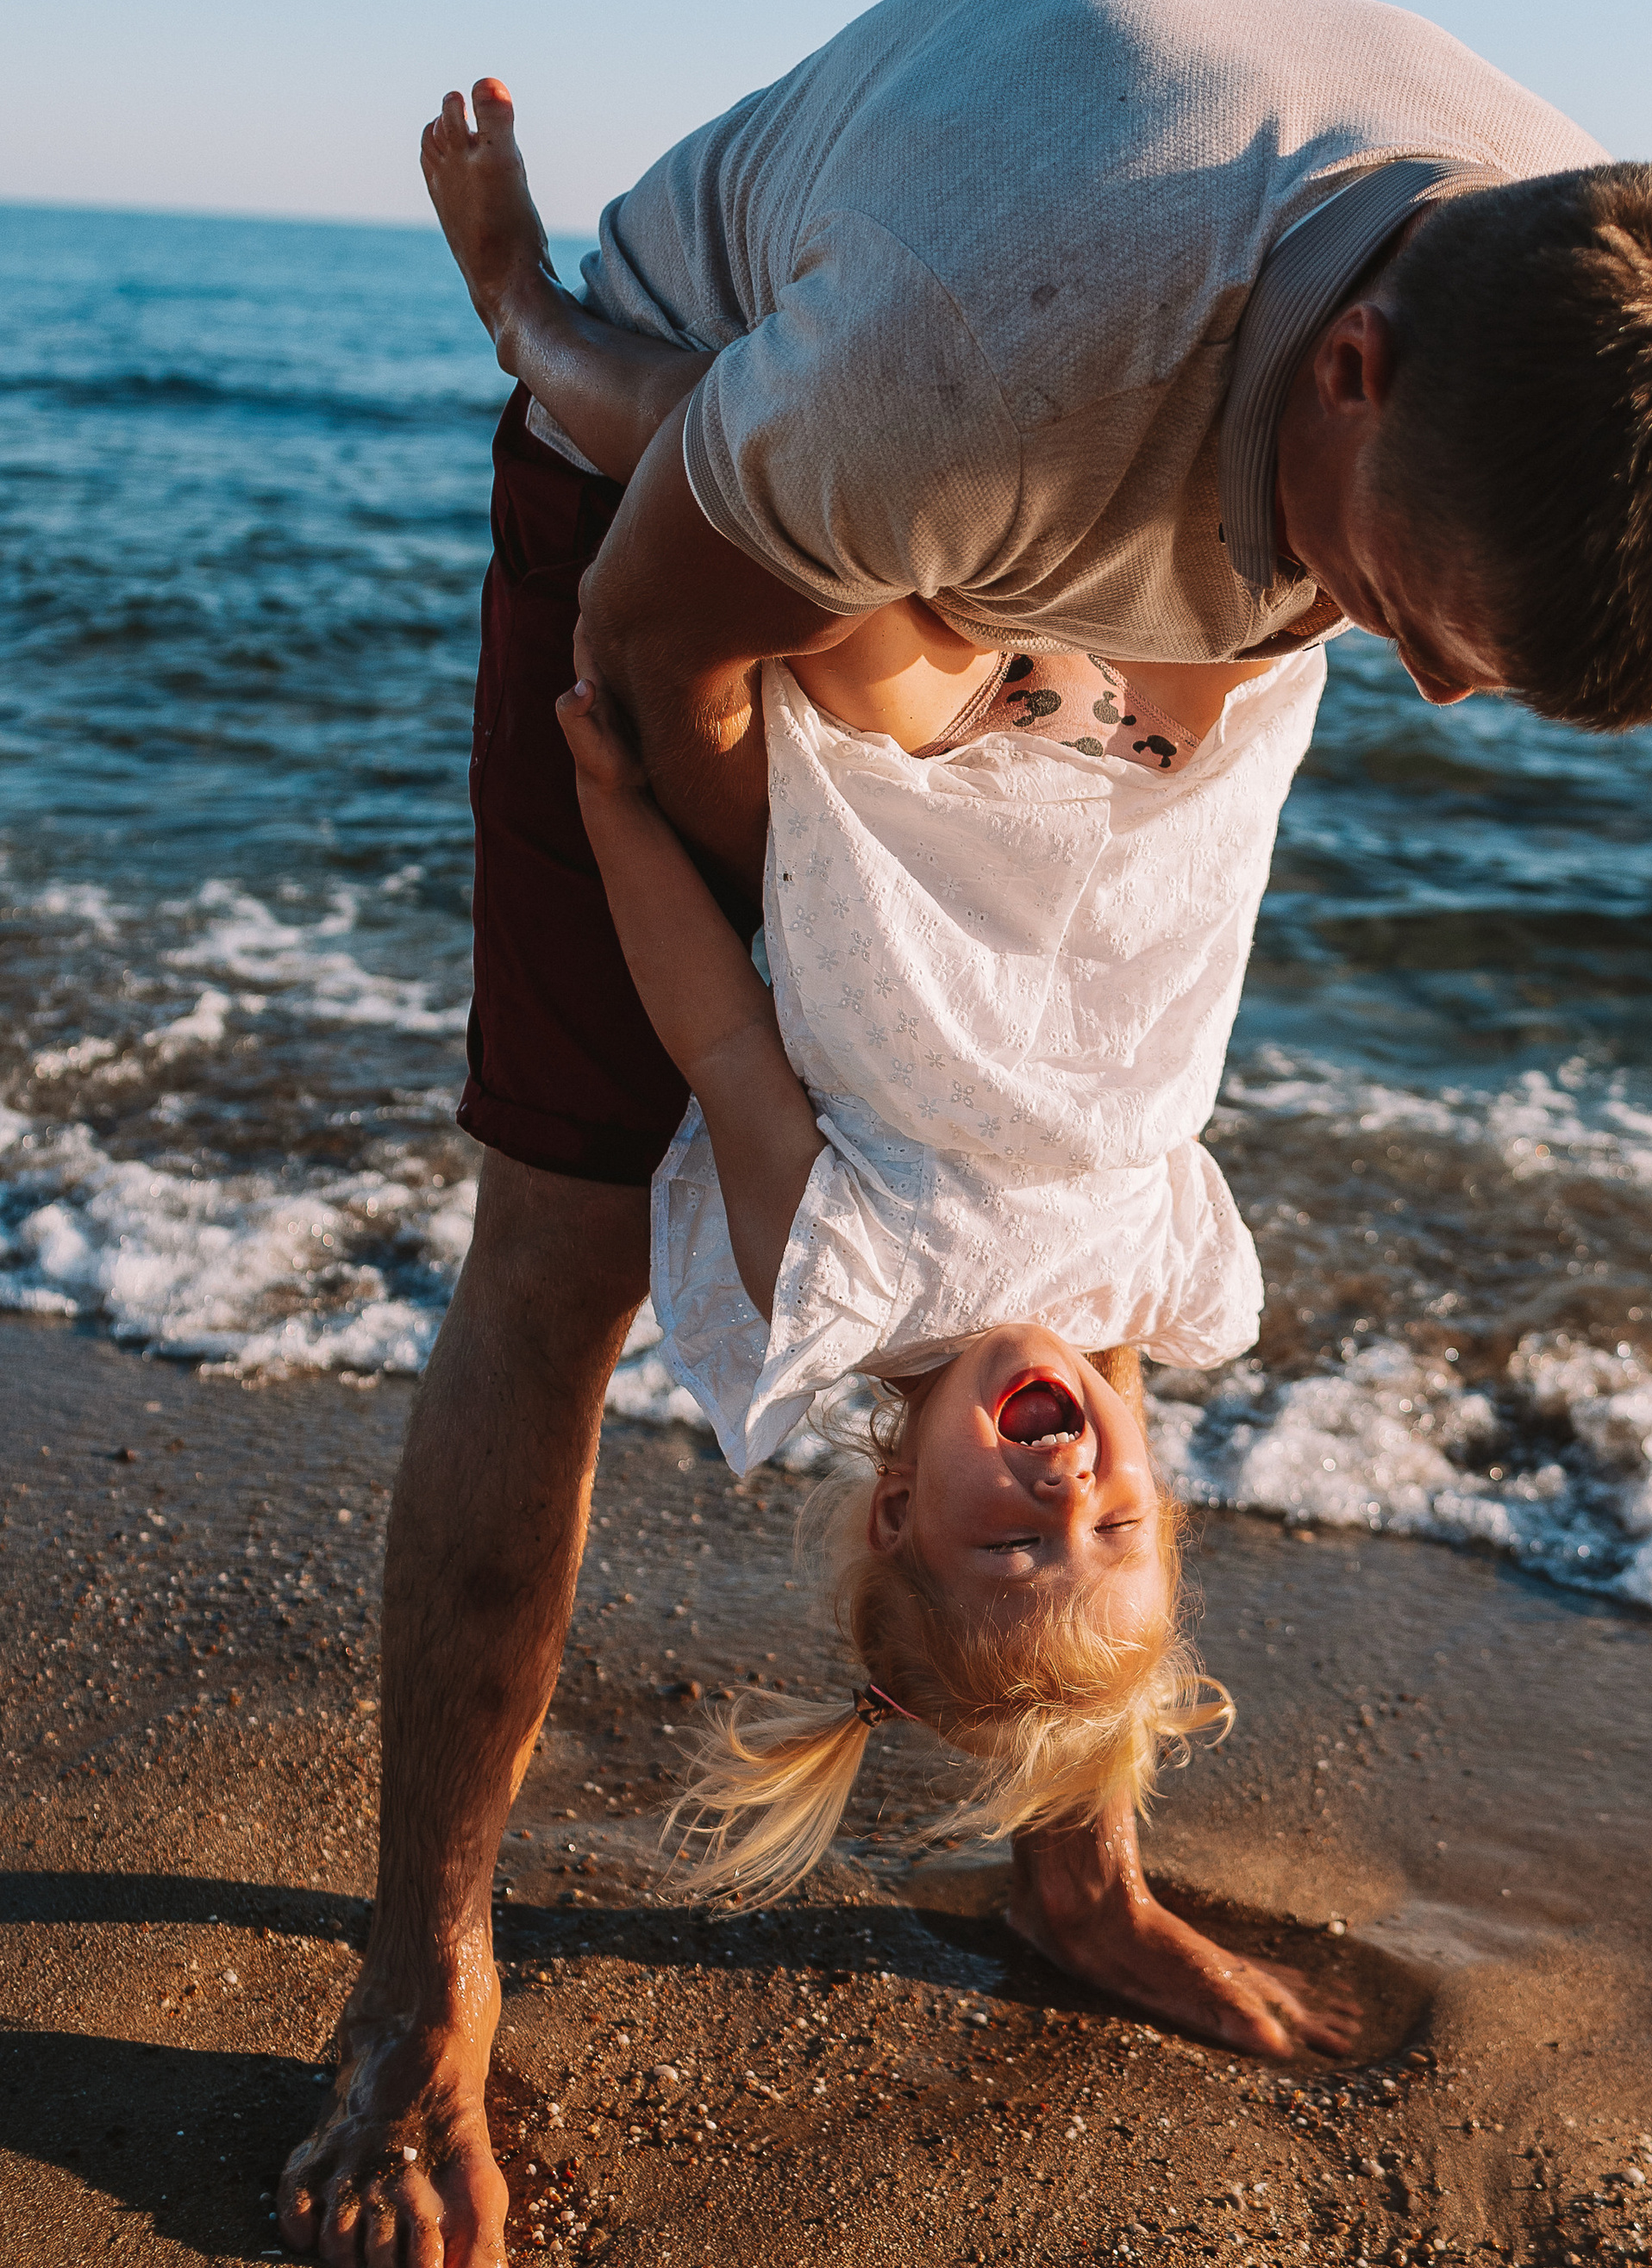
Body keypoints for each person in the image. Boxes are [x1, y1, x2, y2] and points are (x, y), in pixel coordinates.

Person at [281, 0, 1652, 2268]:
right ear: (1357, 364)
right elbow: (656, 654)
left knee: (1078, 1250)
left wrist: (1032, 783)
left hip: (1024, 641)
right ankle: (423, 1980)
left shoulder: (1576, 292)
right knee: (563, 1256)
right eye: (1425, 622)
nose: (1429, 686)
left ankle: (1077, 1866)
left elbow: (1112, 1220)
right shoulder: (990, 343)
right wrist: (839, 872)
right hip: (730, 515)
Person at [546, 597, 1347, 2061]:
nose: (1069, 1498)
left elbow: (721, 1038)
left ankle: (554, 350)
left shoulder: (845, 1286)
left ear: (898, 1506)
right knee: (1283, 593)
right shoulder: (1162, 1297)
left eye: (1012, 1545)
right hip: (1145, 818)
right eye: (1118, 1531)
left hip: (923, 815)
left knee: (854, 602)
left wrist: (618, 813)